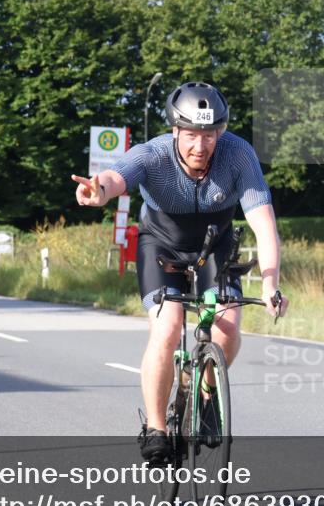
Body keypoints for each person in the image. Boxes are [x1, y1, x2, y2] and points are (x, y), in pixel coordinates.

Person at [72, 81, 289, 464]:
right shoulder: (153, 155)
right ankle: (156, 428)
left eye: (209, 135)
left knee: (228, 327)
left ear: (221, 132)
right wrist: (99, 191)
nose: (200, 146)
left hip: (214, 247)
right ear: (175, 130)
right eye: (190, 135)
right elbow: (117, 177)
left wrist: (271, 282)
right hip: (162, 247)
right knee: (169, 326)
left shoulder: (239, 156)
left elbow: (263, 223)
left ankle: (206, 395)